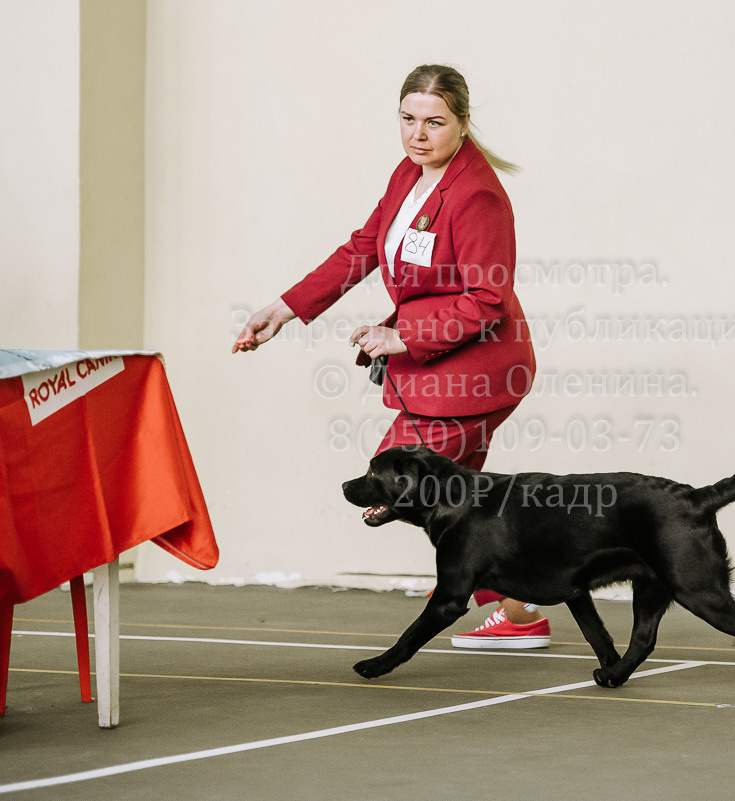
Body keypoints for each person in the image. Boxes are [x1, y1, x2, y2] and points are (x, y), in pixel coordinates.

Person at [233, 64, 548, 649]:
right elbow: (362, 248)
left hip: (476, 373)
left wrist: (402, 337)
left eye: (434, 122)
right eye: (408, 120)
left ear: (463, 123)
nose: (417, 134)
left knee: (398, 482)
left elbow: (487, 299)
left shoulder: (478, 195)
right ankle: (519, 608)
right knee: (463, 500)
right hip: (441, 371)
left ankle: (497, 595)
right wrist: (283, 308)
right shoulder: (410, 174)